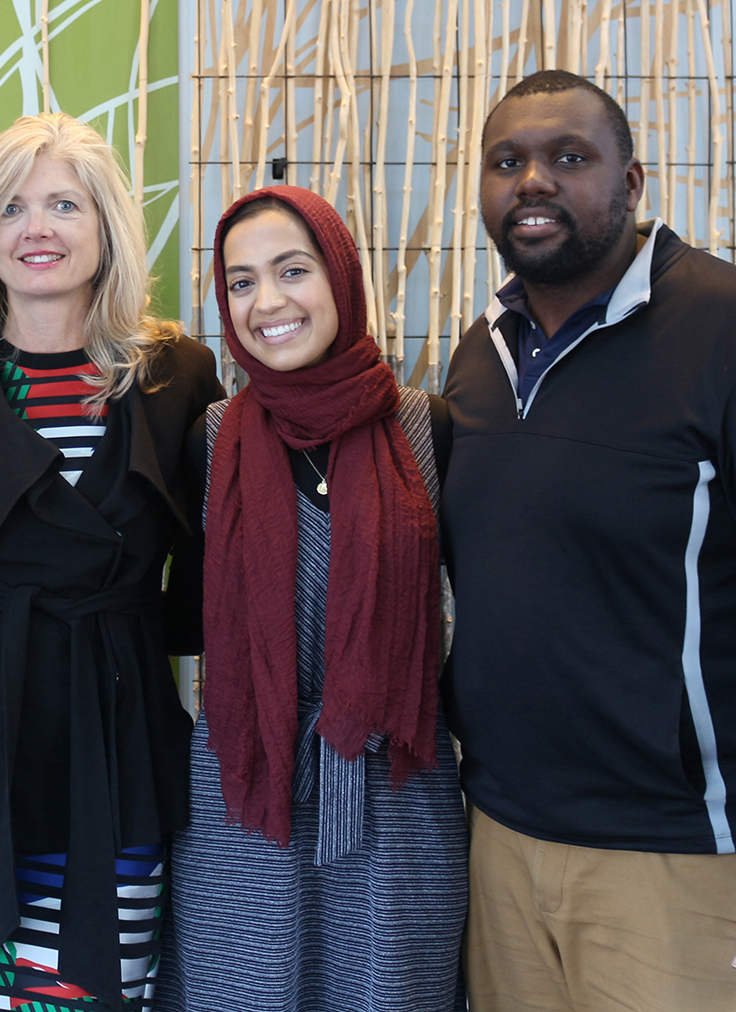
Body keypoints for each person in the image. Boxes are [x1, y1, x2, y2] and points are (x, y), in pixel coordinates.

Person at [442, 70, 736, 1012]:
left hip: (681, 860)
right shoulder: (480, 353)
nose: (534, 181)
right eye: (507, 161)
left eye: (570, 158)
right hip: (502, 842)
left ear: (633, 183)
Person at [0, 113, 223, 1011]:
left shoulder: (175, 371)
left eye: (63, 205)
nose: (37, 229)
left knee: (105, 984)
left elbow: (209, 563)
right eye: (12, 209)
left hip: (117, 729)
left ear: (106, 225)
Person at [157, 185, 465, 1011]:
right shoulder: (212, 439)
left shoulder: (426, 429)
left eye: (292, 270)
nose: (269, 302)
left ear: (341, 275)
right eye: (242, 282)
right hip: (244, 792)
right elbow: (181, 616)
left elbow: (490, 616)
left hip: (396, 792)